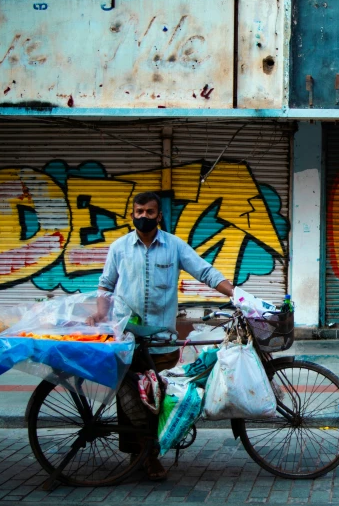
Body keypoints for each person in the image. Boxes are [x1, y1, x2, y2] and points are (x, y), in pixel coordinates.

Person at [89, 191, 234, 480]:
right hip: (128, 339)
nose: (143, 216)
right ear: (133, 213)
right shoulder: (119, 248)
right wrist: (101, 315)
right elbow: (105, 285)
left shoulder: (174, 246)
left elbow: (205, 272)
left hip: (162, 341)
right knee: (130, 402)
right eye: (139, 211)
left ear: (159, 215)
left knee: (160, 401)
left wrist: (236, 294)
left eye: (149, 212)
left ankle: (152, 455)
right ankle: (138, 455)